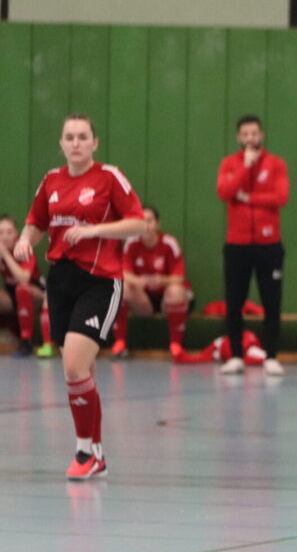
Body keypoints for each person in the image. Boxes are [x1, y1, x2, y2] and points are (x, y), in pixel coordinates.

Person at [15, 114, 147, 478]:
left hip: (100, 280)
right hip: (62, 280)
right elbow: (36, 222)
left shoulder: (109, 177)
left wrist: (93, 231)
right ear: (61, 144)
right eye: (69, 137)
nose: (76, 142)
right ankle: (96, 454)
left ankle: (85, 451)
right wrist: (25, 240)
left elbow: (137, 222)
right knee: (81, 371)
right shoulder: (51, 181)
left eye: (82, 137)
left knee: (73, 365)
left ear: (94, 143)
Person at [216, 114, 289, 376]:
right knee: (234, 302)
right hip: (237, 245)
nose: (250, 138)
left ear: (261, 135)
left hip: (269, 245)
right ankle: (236, 356)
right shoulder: (230, 164)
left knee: (272, 302)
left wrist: (248, 198)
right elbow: (225, 192)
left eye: (254, 133)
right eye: (245, 134)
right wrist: (245, 168)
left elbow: (280, 197)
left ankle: (272, 356)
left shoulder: (276, 164)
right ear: (239, 137)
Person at [111, 206, 194, 359]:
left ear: (157, 224)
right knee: (122, 289)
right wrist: (139, 281)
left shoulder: (169, 243)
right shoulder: (131, 243)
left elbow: (179, 277)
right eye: (142, 221)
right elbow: (124, 274)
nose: (146, 225)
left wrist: (162, 280)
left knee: (176, 290)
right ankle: (120, 343)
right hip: (143, 301)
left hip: (165, 299)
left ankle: (176, 345)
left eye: (149, 221)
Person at [1, 213, 45, 356]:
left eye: (9, 232)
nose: (5, 237)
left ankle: (26, 342)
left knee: (22, 290)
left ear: (16, 235)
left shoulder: (23, 249)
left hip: (36, 291)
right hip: (11, 293)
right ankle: (9, 333)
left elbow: (24, 279)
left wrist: (5, 255)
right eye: (1, 233)